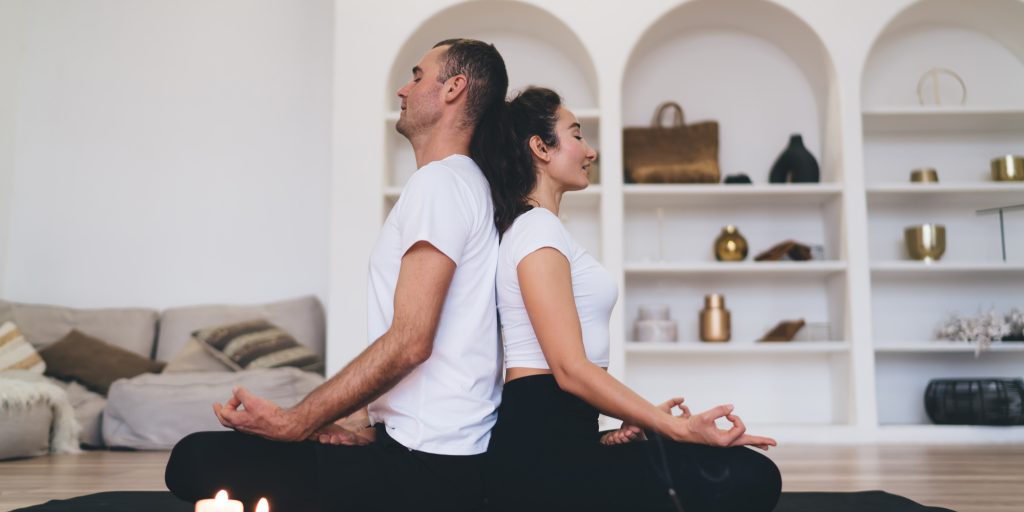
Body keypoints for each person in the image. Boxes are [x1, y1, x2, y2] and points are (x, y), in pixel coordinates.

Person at [164, 38, 509, 512]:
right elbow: (435, 340)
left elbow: (411, 340)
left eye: (417, 75)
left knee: (192, 459)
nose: (403, 90)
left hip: (427, 467)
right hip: (433, 454)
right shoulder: (465, 184)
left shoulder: (440, 184)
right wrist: (357, 421)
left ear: (454, 88)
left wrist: (297, 420)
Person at [472, 87, 783, 512]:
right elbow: (568, 369)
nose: (591, 151)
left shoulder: (538, 230)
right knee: (749, 476)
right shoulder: (535, 230)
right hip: (540, 461)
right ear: (540, 148)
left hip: (562, 438)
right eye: (577, 135)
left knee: (744, 474)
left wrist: (621, 426)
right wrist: (678, 428)